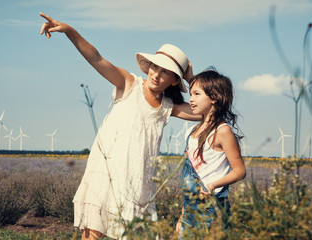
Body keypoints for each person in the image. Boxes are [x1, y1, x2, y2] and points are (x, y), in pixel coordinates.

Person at [39, 12, 201, 240]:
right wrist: (69, 31)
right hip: (108, 174)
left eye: (166, 72)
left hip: (138, 182)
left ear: (175, 80)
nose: (157, 74)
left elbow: (202, 110)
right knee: (92, 234)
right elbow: (97, 59)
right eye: (155, 67)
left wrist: (191, 80)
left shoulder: (168, 106)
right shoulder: (129, 84)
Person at [176, 68, 246, 238]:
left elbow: (240, 171)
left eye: (196, 94)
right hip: (190, 207)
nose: (191, 99)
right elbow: (191, 177)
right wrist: (182, 215)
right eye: (190, 94)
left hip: (211, 208)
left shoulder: (222, 131)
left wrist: (213, 185)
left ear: (214, 97)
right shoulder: (193, 131)